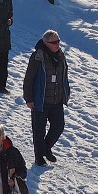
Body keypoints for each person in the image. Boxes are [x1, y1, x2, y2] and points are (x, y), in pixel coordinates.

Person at [23, 29, 70, 167]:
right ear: (46, 43)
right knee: (39, 130)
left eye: (58, 41)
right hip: (40, 100)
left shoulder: (61, 55)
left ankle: (45, 149)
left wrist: (66, 92)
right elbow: (29, 79)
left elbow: (63, 76)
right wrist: (29, 99)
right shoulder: (38, 57)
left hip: (56, 100)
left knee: (58, 126)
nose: (57, 44)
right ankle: (39, 157)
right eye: (54, 42)